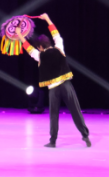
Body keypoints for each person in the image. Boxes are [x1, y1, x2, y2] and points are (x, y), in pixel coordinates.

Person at [17, 14, 91, 149]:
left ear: (40, 46)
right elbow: (56, 35)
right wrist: (47, 19)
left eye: (38, 47)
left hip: (53, 89)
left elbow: (28, 49)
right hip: (66, 85)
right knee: (76, 111)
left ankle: (53, 141)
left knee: (54, 115)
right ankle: (85, 136)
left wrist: (19, 35)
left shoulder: (39, 55)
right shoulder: (59, 48)